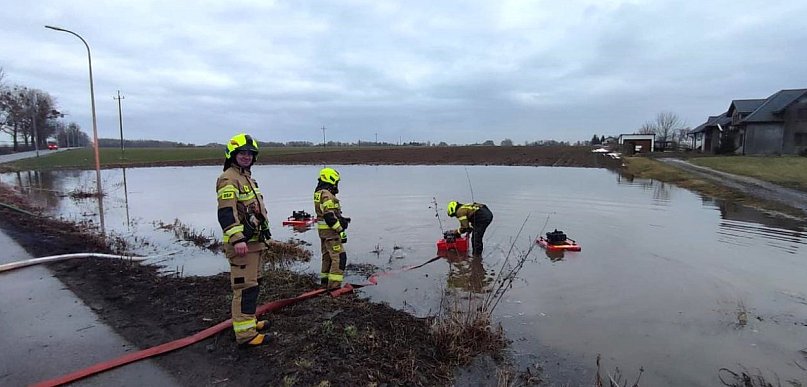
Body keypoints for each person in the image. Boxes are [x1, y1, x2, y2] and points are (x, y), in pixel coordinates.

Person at [216, 133, 272, 347]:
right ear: (233, 154)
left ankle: (249, 321)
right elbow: (226, 212)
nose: (247, 156)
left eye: (250, 153)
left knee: (254, 284)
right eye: (242, 153)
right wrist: (237, 239)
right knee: (245, 288)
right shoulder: (228, 178)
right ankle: (245, 335)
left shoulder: (247, 177)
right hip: (243, 244)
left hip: (254, 242)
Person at [313, 167, 350, 289]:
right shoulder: (327, 195)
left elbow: (328, 213)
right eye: (336, 182)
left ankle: (324, 283)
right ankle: (334, 286)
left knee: (327, 257)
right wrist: (341, 230)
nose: (337, 185)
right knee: (340, 257)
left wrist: (342, 219)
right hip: (331, 233)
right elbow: (329, 216)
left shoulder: (319, 193)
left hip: (323, 233)